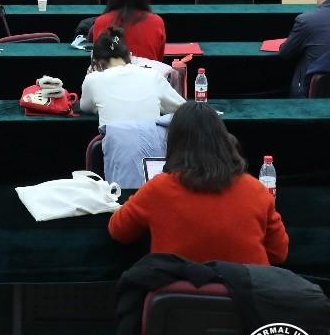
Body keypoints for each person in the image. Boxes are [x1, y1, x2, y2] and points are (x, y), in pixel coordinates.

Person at [108, 102, 288, 265]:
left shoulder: (158, 189)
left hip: (175, 289)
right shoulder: (256, 190)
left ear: (173, 143)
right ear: (224, 140)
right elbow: (278, 254)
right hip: (245, 290)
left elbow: (119, 230)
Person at [80, 27, 184, 126]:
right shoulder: (153, 75)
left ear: (98, 62)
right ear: (128, 55)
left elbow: (85, 107)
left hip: (113, 138)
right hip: (152, 138)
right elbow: (181, 107)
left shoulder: (92, 79)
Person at [89, 0, 166, 62]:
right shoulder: (157, 22)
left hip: (111, 71)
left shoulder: (101, 21)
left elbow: (97, 60)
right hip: (149, 71)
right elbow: (159, 60)